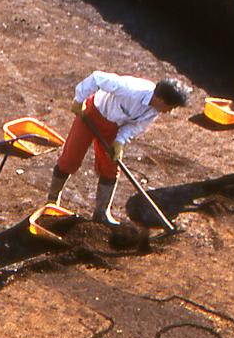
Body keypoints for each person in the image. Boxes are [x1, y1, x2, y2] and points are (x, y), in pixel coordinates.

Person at [49, 73, 190, 224]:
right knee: (70, 158)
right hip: (91, 114)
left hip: (114, 128)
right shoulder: (131, 89)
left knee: (111, 167)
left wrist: (119, 141)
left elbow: (135, 126)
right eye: (171, 106)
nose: (170, 111)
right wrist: (79, 100)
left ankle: (101, 213)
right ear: (160, 99)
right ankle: (52, 201)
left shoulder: (154, 109)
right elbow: (97, 78)